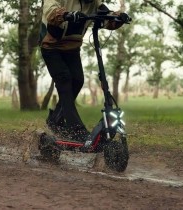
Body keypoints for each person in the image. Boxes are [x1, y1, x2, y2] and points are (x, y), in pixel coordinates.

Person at [39, 0, 129, 142]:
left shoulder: (94, 3)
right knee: (65, 80)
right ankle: (76, 130)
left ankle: (55, 119)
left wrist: (119, 18)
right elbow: (51, 11)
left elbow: (106, 18)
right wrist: (67, 14)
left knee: (78, 81)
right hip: (51, 47)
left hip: (72, 49)